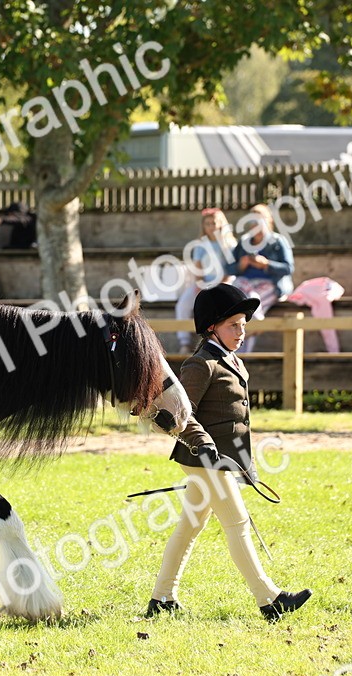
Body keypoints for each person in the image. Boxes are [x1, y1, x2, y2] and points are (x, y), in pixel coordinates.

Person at [147, 283, 312, 623]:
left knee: (190, 526)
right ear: (211, 328)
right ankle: (270, 599)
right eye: (233, 325)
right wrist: (205, 444)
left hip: (222, 460)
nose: (241, 331)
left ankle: (162, 597)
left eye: (243, 324)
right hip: (205, 460)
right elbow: (180, 414)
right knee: (237, 523)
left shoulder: (230, 359)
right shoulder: (200, 364)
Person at [226, 204, 294, 353]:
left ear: (268, 221)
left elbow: (288, 268)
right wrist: (240, 266)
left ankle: (242, 359)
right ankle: (258, 325)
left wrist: (266, 264)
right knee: (242, 299)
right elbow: (229, 268)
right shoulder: (244, 242)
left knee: (247, 309)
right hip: (246, 286)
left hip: (269, 285)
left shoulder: (278, 241)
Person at [176, 208, 235, 352]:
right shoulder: (200, 245)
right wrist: (201, 284)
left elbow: (231, 269)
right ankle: (184, 342)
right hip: (204, 284)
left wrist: (221, 286)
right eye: (207, 224)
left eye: (214, 223)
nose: (211, 227)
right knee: (183, 304)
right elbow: (198, 269)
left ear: (221, 224)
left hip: (224, 283)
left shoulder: (230, 245)